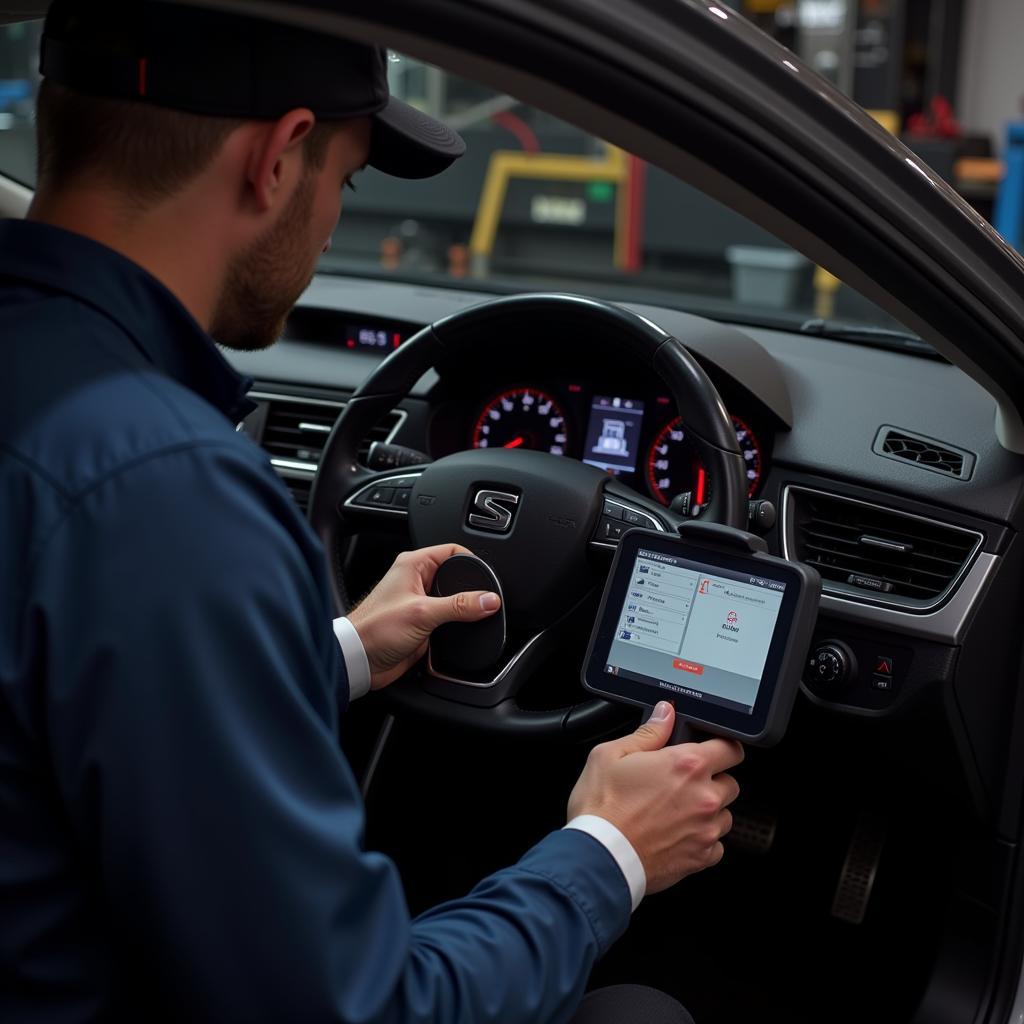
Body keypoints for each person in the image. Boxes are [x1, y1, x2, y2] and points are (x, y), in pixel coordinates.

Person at [0, 3, 744, 1021]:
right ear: (279, 158)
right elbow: (359, 1007)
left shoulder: (63, 415)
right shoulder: (165, 488)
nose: (335, 216)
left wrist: (343, 647)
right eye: (346, 181)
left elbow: (70, 688)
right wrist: (607, 850)